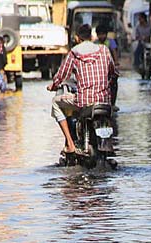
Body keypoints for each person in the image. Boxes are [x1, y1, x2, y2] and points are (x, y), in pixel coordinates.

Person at [48, 24, 117, 154]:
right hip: (104, 101)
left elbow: (61, 75)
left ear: (77, 38)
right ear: (91, 36)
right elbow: (114, 73)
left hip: (84, 101)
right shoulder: (104, 50)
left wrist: (53, 86)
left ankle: (70, 144)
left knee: (55, 102)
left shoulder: (74, 53)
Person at [95, 24, 119, 108]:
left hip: (109, 67)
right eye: (99, 34)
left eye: (103, 34)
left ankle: (113, 103)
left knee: (114, 81)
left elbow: (114, 52)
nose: (101, 36)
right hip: (98, 67)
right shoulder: (95, 44)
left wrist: (116, 62)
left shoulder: (110, 42)